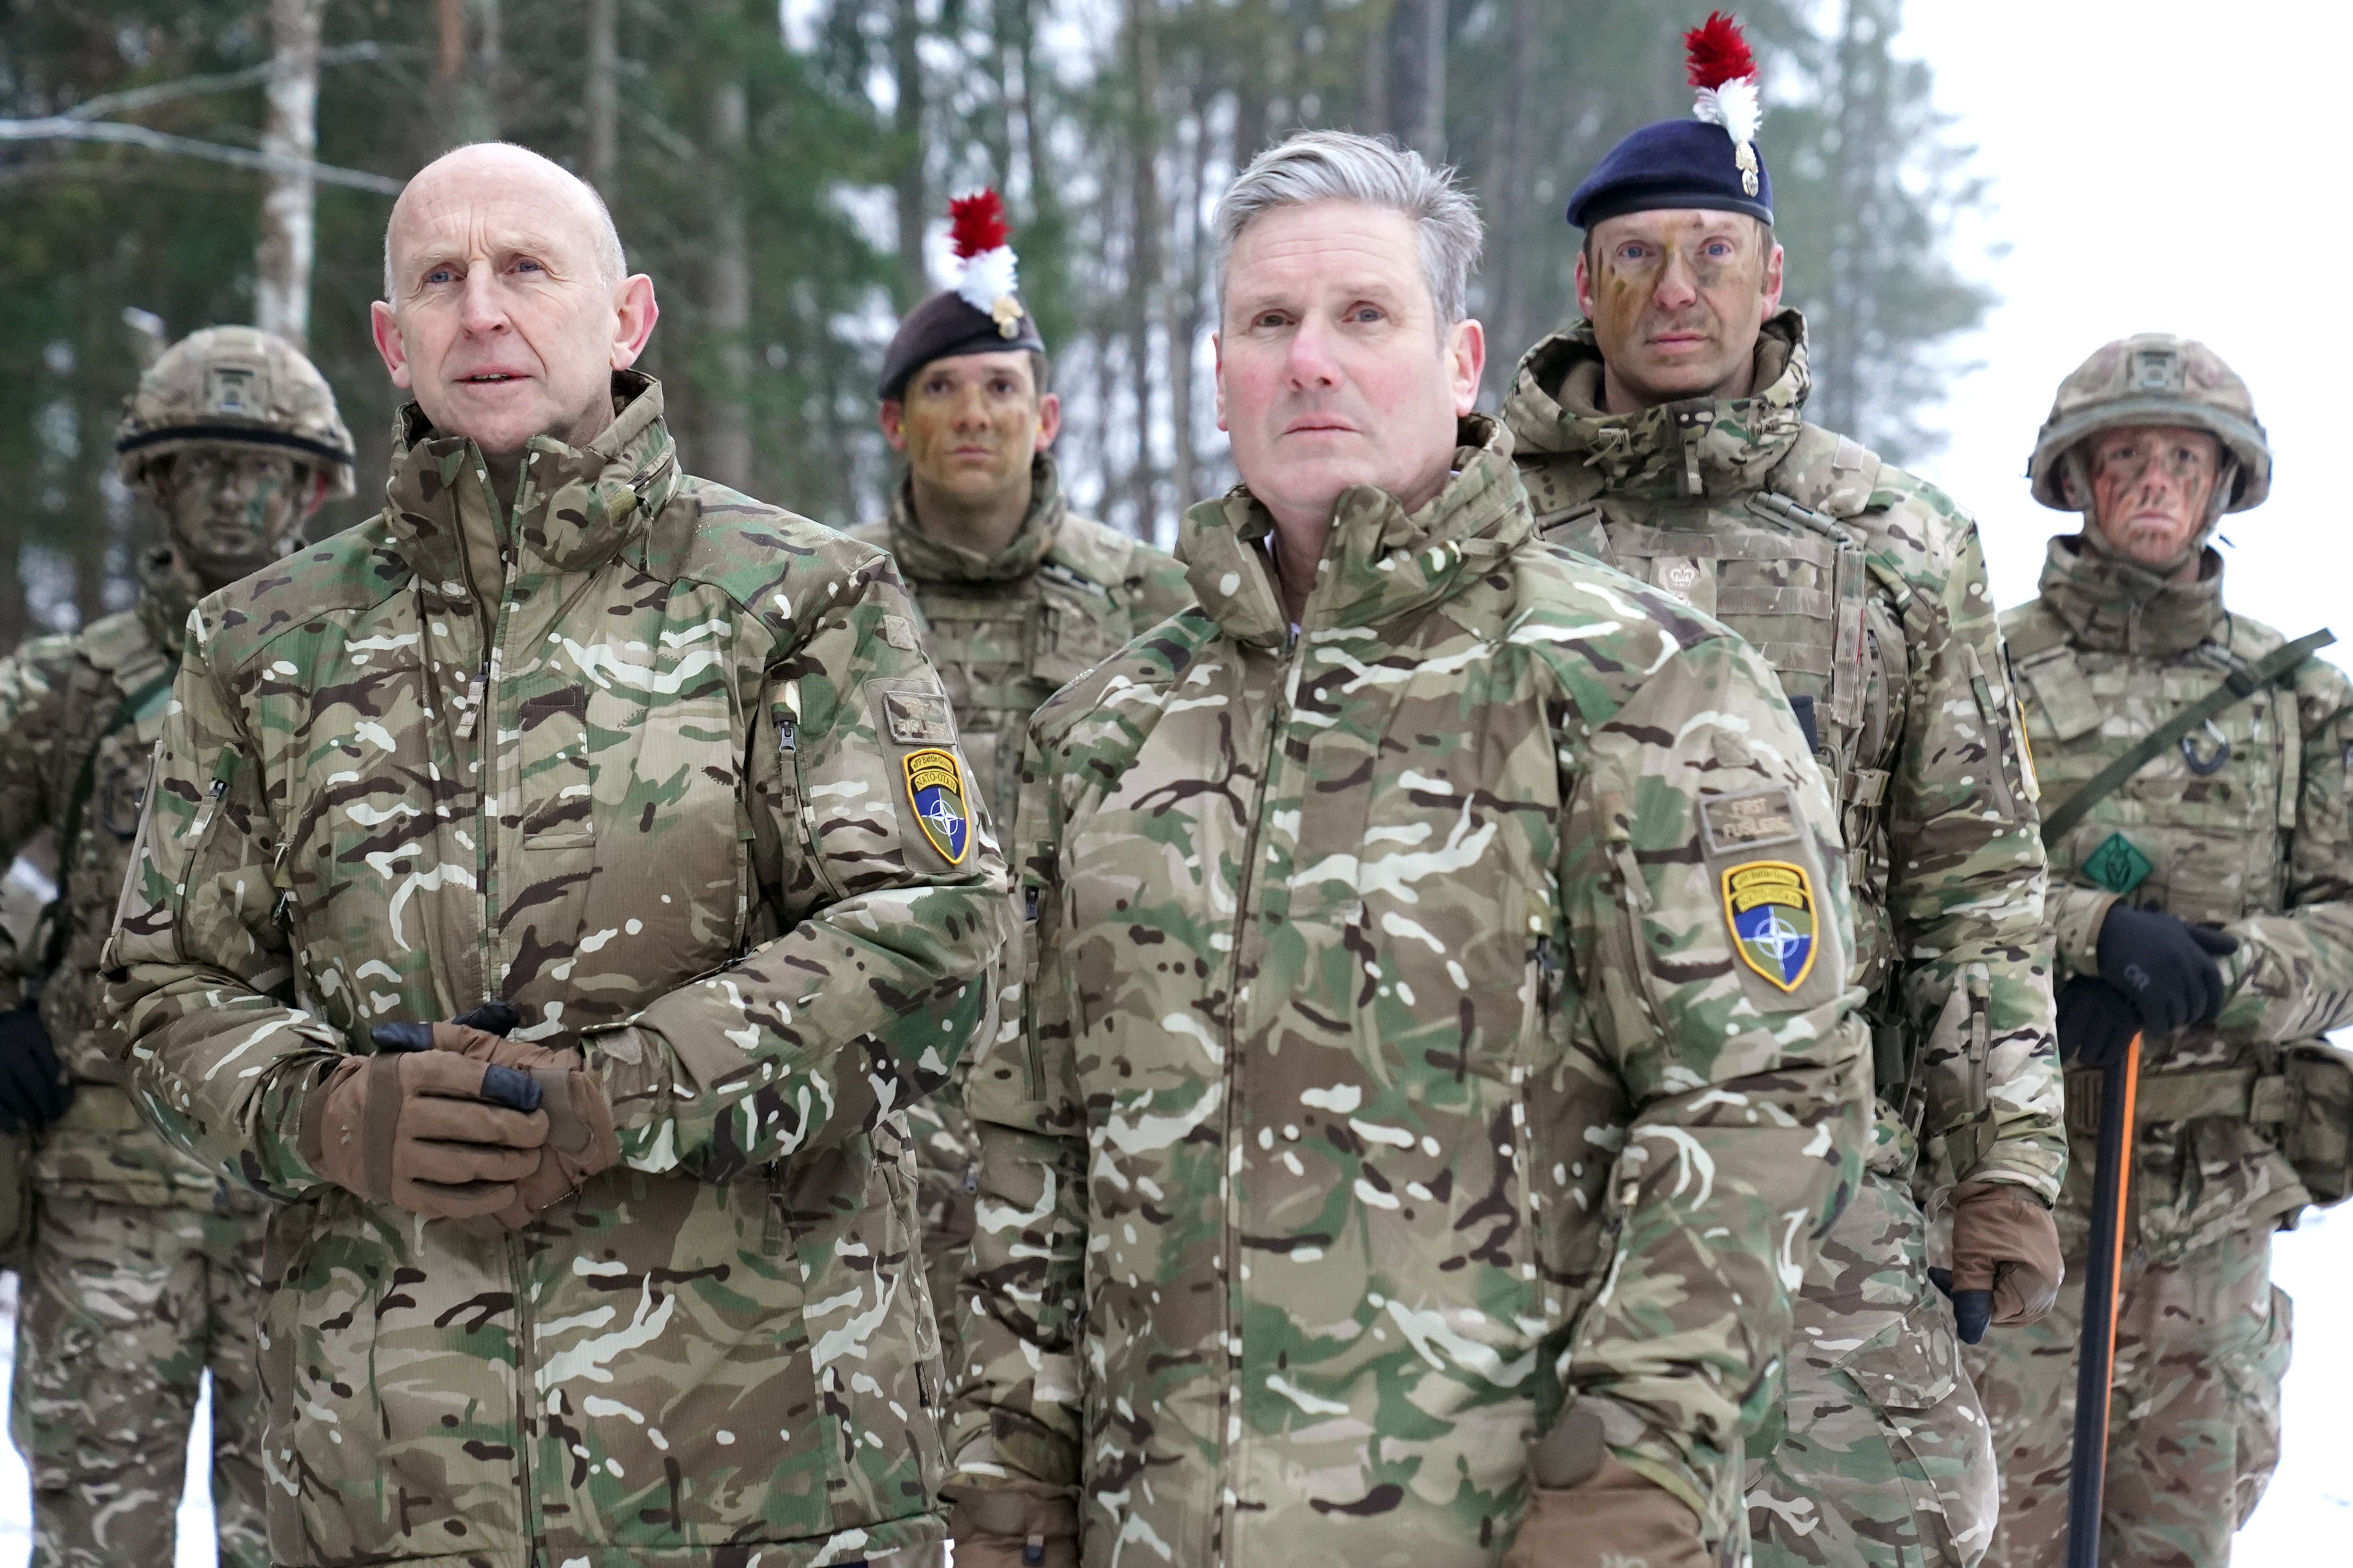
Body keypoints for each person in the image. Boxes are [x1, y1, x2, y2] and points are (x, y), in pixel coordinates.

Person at [944, 128, 1871, 1568]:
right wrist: (1007, 1496)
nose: (1310, 358)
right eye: (1270, 321)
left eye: (1364, 314)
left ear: (1458, 360)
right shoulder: (1109, 730)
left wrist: (1632, 1480)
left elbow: (1764, 1097)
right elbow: (1030, 1145)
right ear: (1222, 371)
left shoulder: (1642, 688)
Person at [100, 141, 1010, 1568]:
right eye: (441, 280)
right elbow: (160, 986)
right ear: (394, 344)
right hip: (385, 1466)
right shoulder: (267, 643)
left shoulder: (799, 596)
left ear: (628, 316)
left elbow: (931, 936)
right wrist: (332, 1111)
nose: (485, 311)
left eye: (527, 268)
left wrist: (616, 1095)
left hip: (760, 1462)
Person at [1500, 17, 2064, 1567]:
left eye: (1709, 253)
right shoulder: (1475, 513)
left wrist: (2005, 1163)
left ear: (1771, 272)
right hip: (1524, 1158)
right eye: (1636, 256)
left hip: (1830, 1153)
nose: (1674, 290)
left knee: (1886, 1521)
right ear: (1583, 283)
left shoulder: (1892, 534)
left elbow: (1974, 875)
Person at [1968, 334, 2353, 1568]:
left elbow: (2349, 926)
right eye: (2123, 457)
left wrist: (2225, 973)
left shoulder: (2299, 702)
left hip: (2214, 1207)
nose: (2150, 483)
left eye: (2180, 460)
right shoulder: (1977, 668)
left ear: (2223, 483)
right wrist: (2085, 933)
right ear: (2075, 477)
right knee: (1991, 1520)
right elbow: (1917, 886)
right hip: (2024, 1188)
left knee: (2179, 1538)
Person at [0, 325, 352, 1568]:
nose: (235, 492)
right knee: (97, 1535)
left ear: (314, 486)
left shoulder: (370, 678)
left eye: (265, 467)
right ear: (154, 482)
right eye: (201, 463)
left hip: (313, 1188)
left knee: (310, 1534)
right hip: (106, 1191)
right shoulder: (70, 689)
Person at [846, 189, 1191, 1402]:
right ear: (896, 421)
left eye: (1000, 389)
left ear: (1045, 418)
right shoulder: (825, 604)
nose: (974, 415)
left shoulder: (1155, 604)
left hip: (1079, 1080)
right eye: (943, 390)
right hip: (880, 1088)